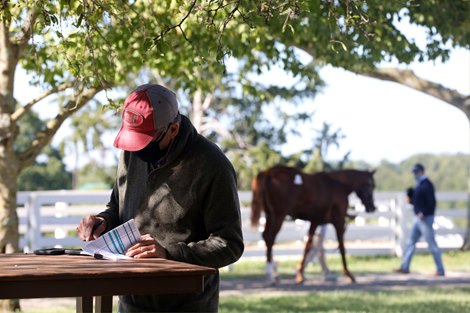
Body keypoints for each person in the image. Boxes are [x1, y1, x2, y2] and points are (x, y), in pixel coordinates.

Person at [76, 83, 244, 312]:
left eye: (144, 142)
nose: (136, 151)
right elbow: (117, 207)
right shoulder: (130, 154)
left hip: (188, 305)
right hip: (131, 301)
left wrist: (169, 253)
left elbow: (229, 244)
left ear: (173, 129)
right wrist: (103, 222)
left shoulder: (212, 165)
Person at [394, 163, 445, 276]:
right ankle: (405, 267)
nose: (415, 174)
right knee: (410, 243)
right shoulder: (419, 185)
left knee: (432, 244)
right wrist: (411, 199)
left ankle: (440, 270)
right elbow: (418, 201)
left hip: (425, 219)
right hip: (418, 219)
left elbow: (431, 202)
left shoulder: (427, 185)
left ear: (422, 171)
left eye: (416, 172)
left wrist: (424, 213)